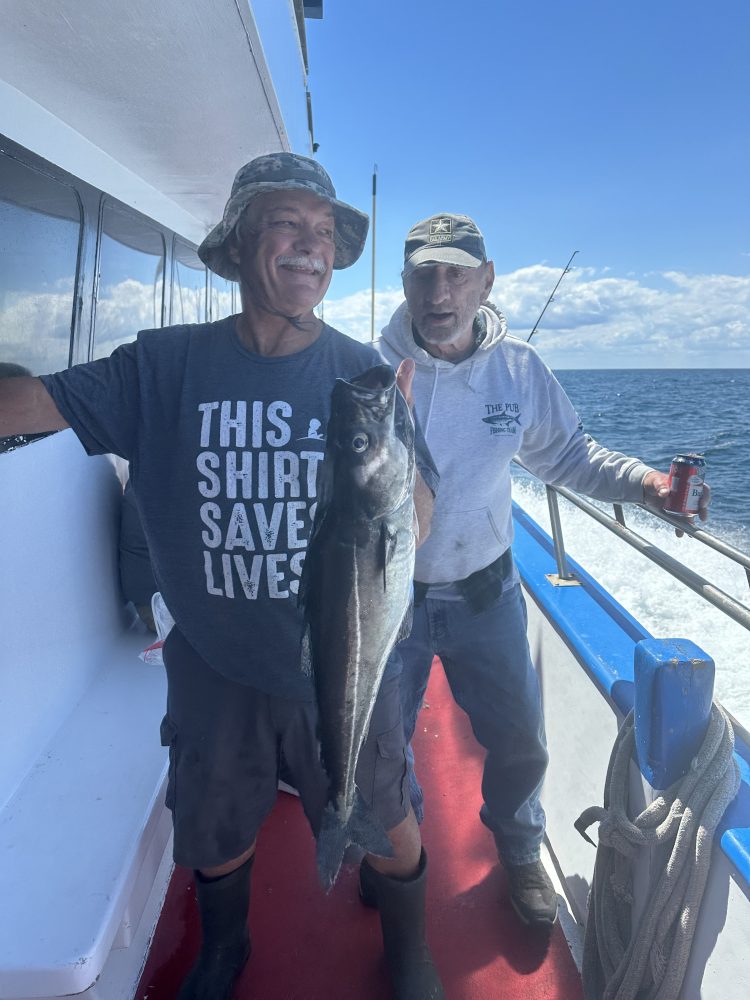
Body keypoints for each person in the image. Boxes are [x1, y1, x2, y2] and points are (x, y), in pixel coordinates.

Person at [0, 154, 444, 1000]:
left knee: (386, 808)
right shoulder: (161, 366)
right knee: (212, 821)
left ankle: (412, 947)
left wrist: (403, 474)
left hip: (341, 661)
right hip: (212, 657)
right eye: (288, 223)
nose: (310, 246)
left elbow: (417, 515)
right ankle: (225, 948)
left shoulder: (366, 381)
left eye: (325, 232)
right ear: (240, 241)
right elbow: (32, 407)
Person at [376, 213, 711, 929]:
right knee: (383, 741)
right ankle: (394, 849)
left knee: (520, 736)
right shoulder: (369, 369)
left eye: (457, 273)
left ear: (487, 282)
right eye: (424, 274)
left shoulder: (519, 369)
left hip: (486, 590)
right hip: (386, 598)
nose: (440, 290)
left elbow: (573, 457)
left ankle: (522, 850)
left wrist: (650, 488)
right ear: (403, 283)